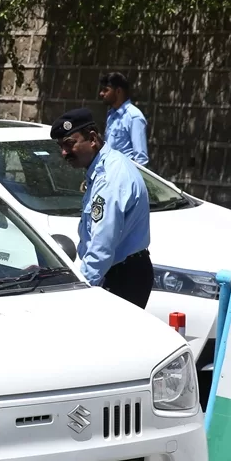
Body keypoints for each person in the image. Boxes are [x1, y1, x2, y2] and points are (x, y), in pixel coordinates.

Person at [51, 108, 152, 307]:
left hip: (122, 277)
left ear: (92, 139)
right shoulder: (102, 168)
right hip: (117, 272)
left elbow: (102, 245)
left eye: (70, 144)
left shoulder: (110, 176)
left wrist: (81, 288)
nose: (64, 152)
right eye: (61, 146)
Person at [99, 71, 148, 166]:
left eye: (106, 90)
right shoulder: (111, 115)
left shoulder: (134, 117)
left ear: (118, 91)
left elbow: (141, 160)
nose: (101, 93)